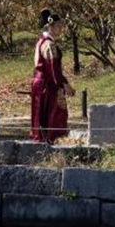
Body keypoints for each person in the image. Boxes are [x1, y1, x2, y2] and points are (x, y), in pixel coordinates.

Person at [30, 8, 74, 143]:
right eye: (59, 26)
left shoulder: (41, 41)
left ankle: (42, 138)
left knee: (41, 114)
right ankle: (51, 140)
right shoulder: (49, 45)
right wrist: (63, 84)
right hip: (47, 83)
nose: (61, 29)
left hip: (40, 81)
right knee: (53, 114)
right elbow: (53, 68)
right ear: (51, 27)